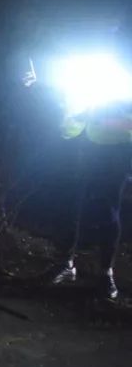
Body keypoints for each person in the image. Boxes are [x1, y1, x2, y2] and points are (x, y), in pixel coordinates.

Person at [46, 98, 131, 301]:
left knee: (108, 212)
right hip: (81, 144)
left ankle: (105, 274)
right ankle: (65, 264)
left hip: (116, 150)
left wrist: (105, 120)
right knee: (69, 205)